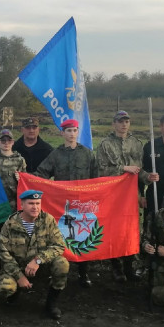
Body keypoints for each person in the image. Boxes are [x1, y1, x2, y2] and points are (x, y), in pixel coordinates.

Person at [96, 110, 159, 282]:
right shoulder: (105, 144)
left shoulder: (136, 144)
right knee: (114, 229)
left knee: (130, 230)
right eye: (120, 121)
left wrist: (148, 177)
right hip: (112, 194)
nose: (124, 124)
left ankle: (129, 265)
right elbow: (101, 170)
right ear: (114, 124)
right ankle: (116, 267)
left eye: (127, 121)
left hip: (131, 195)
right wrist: (123, 168)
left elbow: (138, 170)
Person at [35, 119, 98, 287]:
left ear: (78, 132)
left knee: (83, 237)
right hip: (62, 205)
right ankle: (55, 272)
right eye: (68, 130)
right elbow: (42, 173)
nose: (71, 133)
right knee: (60, 237)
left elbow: (96, 178)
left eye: (74, 130)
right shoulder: (56, 154)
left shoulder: (88, 154)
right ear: (62, 133)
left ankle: (84, 274)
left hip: (83, 204)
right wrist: (26, 178)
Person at [0, 190, 69, 319]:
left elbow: (58, 246)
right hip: (17, 267)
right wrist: (19, 276)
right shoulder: (10, 224)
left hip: (40, 266)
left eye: (37, 203)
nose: (35, 207)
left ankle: (51, 303)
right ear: (22, 205)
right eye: (31, 203)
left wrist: (38, 260)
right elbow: (4, 254)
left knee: (62, 264)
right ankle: (14, 293)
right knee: (5, 287)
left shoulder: (48, 220)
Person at [0, 129, 27, 212]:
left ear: (13, 142)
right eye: (3, 140)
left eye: (9, 140)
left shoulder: (19, 160)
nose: (6, 143)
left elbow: (25, 182)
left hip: (13, 202)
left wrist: (21, 179)